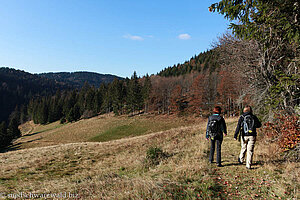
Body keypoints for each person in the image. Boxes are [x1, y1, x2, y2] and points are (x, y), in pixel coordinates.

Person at [234, 105, 261, 169]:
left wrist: (235, 135)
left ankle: (241, 159)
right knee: (250, 150)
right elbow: (259, 125)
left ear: (244, 110)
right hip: (252, 135)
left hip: (244, 135)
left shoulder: (242, 117)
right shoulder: (254, 117)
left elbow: (238, 127)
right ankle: (248, 165)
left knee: (243, 147)